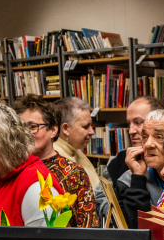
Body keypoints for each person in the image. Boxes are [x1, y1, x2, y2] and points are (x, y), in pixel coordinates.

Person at [13, 95, 99, 228]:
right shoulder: (13, 169)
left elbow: (89, 227)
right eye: (20, 128)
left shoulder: (74, 173)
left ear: (53, 130)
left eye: (32, 127)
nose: (25, 133)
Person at [98, 96, 162, 222]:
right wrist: (118, 216)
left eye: (138, 122)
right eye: (129, 123)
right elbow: (100, 197)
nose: (131, 130)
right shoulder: (120, 159)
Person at [117, 109, 164, 226]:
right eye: (144, 136)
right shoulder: (128, 180)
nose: (148, 144)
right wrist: (138, 178)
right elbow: (135, 230)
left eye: (159, 137)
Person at [53, 97, 99, 187]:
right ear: (66, 129)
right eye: (85, 126)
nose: (92, 132)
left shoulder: (75, 150)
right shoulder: (57, 160)